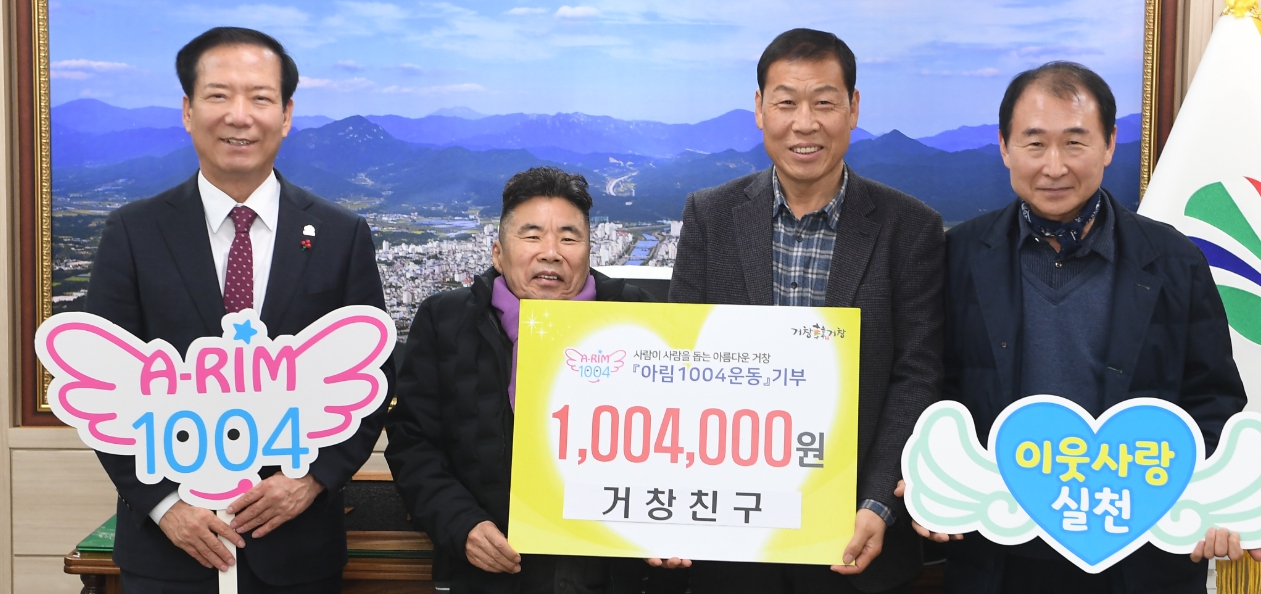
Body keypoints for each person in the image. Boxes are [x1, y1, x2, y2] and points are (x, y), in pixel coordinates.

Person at [84, 27, 391, 593]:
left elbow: (374, 375)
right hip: (170, 553)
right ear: (188, 110)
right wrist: (165, 506)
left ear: (286, 114)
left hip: (297, 549)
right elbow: (107, 381)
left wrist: (312, 480)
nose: (239, 116)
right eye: (219, 95)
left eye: (260, 97)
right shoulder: (133, 232)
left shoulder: (340, 234)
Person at [932, 60, 1254, 593]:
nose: (1054, 166)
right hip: (1000, 553)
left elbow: (1213, 398)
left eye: (1075, 143)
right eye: (1035, 144)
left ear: (1109, 145)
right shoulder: (958, 255)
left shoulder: (1173, 259)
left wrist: (1212, 499)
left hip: (1140, 552)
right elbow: (935, 388)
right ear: (1005, 147)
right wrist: (934, 480)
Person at [667, 28, 945, 594]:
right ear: (759, 109)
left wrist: (877, 501)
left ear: (853, 108)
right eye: (786, 102)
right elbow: (680, 365)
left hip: (855, 535)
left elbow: (917, 375)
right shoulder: (709, 216)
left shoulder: (910, 227)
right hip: (731, 532)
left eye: (824, 102)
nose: (805, 123)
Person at [385, 167, 656, 593]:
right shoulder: (446, 321)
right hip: (490, 572)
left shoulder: (638, 317)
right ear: (498, 253)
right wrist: (462, 524)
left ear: (590, 251)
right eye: (532, 236)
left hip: (605, 573)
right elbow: (413, 442)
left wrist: (668, 529)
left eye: (569, 238)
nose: (551, 252)